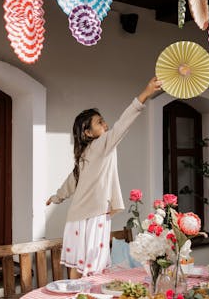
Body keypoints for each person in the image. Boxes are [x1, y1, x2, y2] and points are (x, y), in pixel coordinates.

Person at [46, 77, 162, 278]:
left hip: (77, 217)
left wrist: (57, 197)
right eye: (100, 122)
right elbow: (123, 124)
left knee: (78, 266)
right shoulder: (100, 145)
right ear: (88, 133)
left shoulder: (89, 151)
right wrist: (145, 93)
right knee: (93, 268)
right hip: (94, 215)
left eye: (103, 120)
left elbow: (72, 180)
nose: (106, 125)